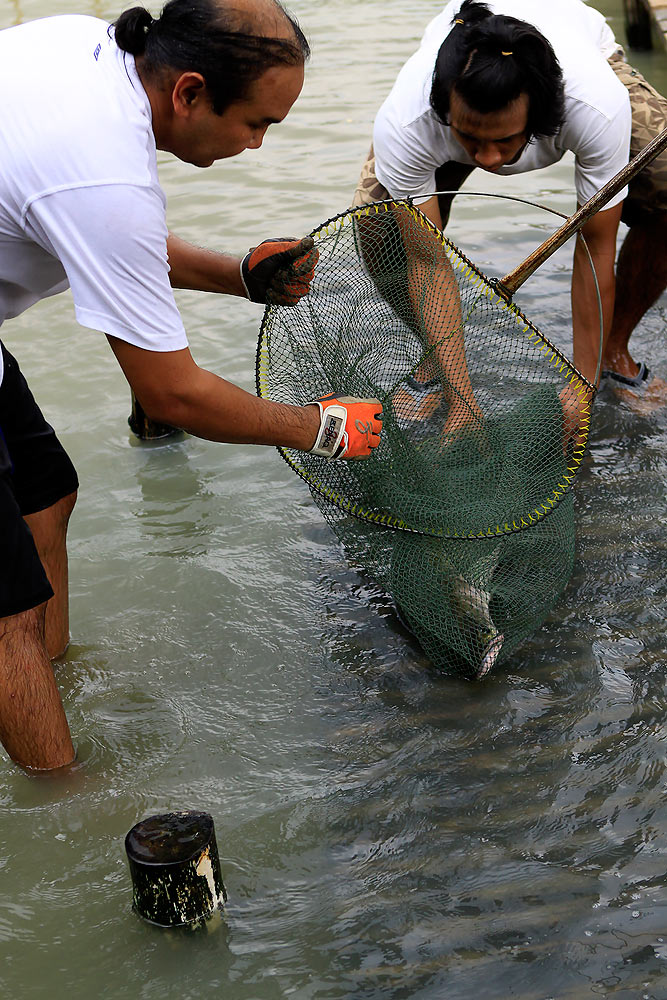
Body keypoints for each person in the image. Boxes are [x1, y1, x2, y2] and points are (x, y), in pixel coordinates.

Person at [0, 0, 383, 772]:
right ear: (188, 92)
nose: (259, 145)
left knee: (48, 493)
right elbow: (173, 396)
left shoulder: (91, 49)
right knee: (3, 608)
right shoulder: (102, 166)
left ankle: (52, 683)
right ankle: (64, 798)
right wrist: (323, 428)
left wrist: (241, 276)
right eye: (256, 124)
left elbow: (108, 235)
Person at [352, 0, 667, 390]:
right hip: (441, 115)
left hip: (584, 59)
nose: (488, 161)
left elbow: (595, 249)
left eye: (503, 140)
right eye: (471, 137)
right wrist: (462, 400)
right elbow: (426, 262)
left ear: (540, 119)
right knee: (378, 229)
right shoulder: (407, 121)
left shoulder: (594, 106)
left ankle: (612, 353)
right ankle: (437, 362)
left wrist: (581, 386)